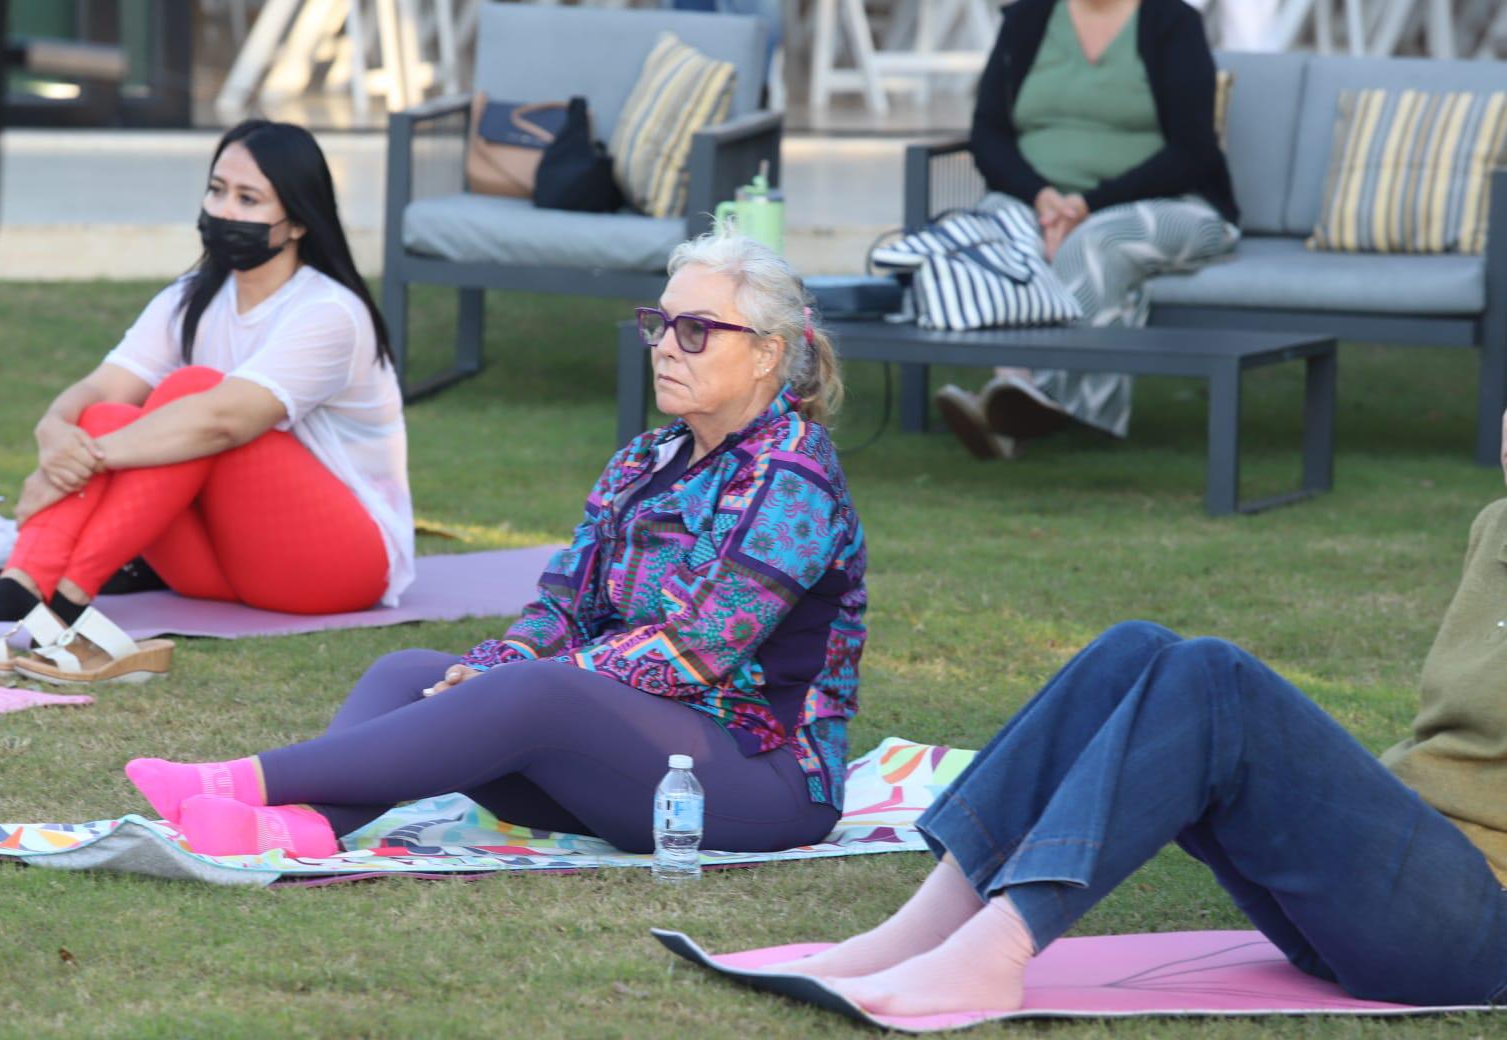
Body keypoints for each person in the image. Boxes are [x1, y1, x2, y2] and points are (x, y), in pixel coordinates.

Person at [121, 231, 868, 859]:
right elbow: (560, 609)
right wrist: (489, 669)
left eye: (695, 330)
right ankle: (307, 829)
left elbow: (697, 649)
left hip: (757, 781)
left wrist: (515, 683)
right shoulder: (645, 459)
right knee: (410, 670)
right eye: (660, 323)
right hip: (627, 762)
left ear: (767, 355)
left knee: (538, 687)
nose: (667, 347)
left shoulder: (791, 474)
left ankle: (241, 782)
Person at [757, 419, 1507, 1014]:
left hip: (1475, 934)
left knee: (1214, 679)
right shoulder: (1496, 526)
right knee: (1135, 652)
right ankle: (922, 929)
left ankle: (996, 952)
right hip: (1392, 888)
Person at [0, 120, 413, 684]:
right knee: (105, 415)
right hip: (221, 571)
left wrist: (81, 460)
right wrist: (54, 433)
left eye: (248, 199)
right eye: (217, 190)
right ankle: (20, 587)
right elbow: (99, 390)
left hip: (337, 565)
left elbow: (222, 421)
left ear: (297, 221)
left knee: (192, 394)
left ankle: (66, 605)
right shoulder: (189, 299)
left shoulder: (328, 313)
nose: (224, 210)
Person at [935, 0, 1240, 459]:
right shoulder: (1027, 18)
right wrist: (1041, 196)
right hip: (1040, 202)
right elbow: (988, 133)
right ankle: (1011, 399)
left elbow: (1192, 150)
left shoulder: (1172, 21)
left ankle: (1055, 412)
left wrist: (1088, 205)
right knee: (985, 235)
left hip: (1169, 204)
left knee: (1097, 243)